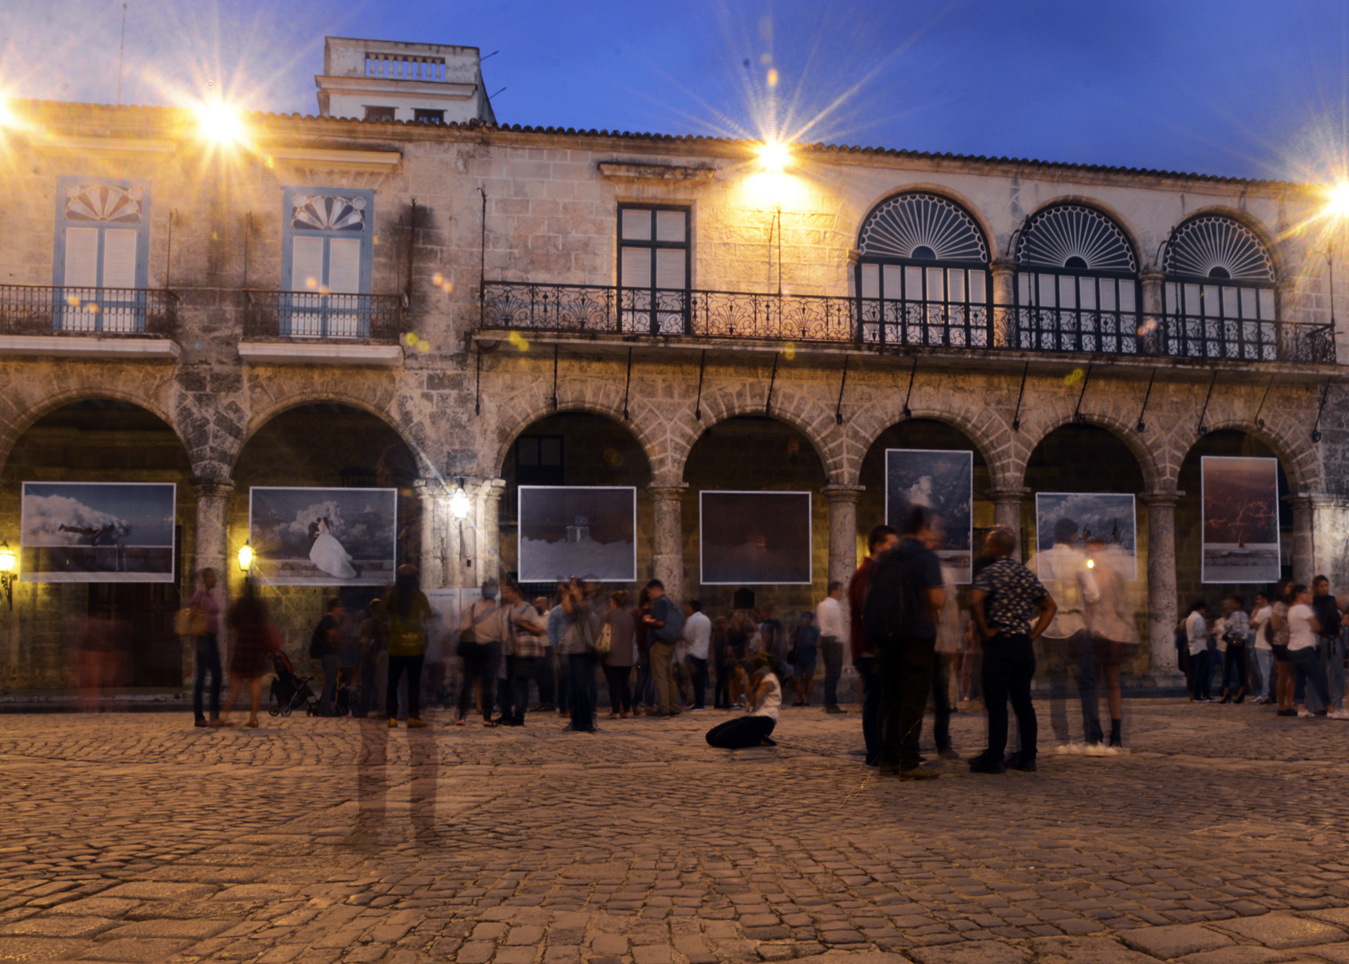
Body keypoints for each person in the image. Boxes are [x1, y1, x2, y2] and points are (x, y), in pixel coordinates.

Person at [863, 505, 945, 780]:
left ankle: (889, 760)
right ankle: (909, 762)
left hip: (887, 638)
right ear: (924, 528)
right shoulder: (925, 557)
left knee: (889, 699)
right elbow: (936, 600)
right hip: (916, 637)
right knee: (913, 700)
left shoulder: (886, 556)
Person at [967, 526, 1057, 773]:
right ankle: (1028, 756)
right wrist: (1033, 634)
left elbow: (974, 598)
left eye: (987, 544)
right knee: (1023, 702)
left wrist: (985, 630)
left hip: (999, 644)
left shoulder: (991, 571)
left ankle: (995, 756)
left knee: (996, 703)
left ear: (995, 547)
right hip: (1022, 646)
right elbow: (1049, 605)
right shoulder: (1024, 573)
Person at [1027, 517, 1101, 751]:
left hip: (1048, 628)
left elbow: (1025, 588)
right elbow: (1093, 594)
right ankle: (1092, 739)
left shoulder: (1038, 560)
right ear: (1072, 536)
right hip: (1075, 626)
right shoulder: (1078, 560)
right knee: (1087, 685)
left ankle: (1062, 740)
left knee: (1057, 687)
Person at [848, 524, 899, 767]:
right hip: (870, 650)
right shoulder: (866, 573)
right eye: (891, 544)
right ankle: (875, 751)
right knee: (876, 700)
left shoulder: (877, 572)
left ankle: (886, 749)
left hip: (877, 648)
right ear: (879, 545)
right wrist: (878, 643)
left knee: (882, 699)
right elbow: (868, 612)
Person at [219, 583, 281, 728]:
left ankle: (224, 716)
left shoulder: (240, 605)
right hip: (257, 646)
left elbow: (231, 622)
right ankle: (253, 717)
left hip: (243, 644)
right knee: (255, 681)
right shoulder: (259, 606)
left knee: (235, 684)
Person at [384, 564, 432, 728]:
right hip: (415, 647)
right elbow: (427, 617)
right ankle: (413, 716)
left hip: (396, 647)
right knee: (413, 683)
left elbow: (384, 616)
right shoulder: (419, 596)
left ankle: (392, 716)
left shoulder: (391, 596)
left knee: (392, 683)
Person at [498, 579, 546, 727]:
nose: (505, 594)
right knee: (504, 683)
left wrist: (521, 623)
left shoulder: (528, 609)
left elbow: (539, 630)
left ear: (516, 593)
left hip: (522, 652)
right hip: (507, 651)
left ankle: (519, 716)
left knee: (520, 684)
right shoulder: (508, 608)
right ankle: (505, 714)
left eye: (508, 592)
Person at [560, 578, 605, 732]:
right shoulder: (571, 601)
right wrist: (567, 593)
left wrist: (575, 592)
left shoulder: (587, 602)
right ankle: (577, 720)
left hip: (585, 648)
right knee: (576, 686)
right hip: (574, 648)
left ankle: (586, 722)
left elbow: (581, 608)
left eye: (574, 585)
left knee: (583, 685)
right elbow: (567, 610)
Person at [705, 657, 781, 749]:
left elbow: (754, 702)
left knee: (722, 738)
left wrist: (745, 680)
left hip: (763, 721)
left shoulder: (769, 680)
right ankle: (750, 737)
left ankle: (760, 741)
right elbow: (736, 696)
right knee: (710, 737)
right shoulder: (755, 678)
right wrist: (737, 678)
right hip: (749, 718)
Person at [455, 581, 502, 726]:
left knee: (468, 683)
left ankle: (462, 716)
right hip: (490, 649)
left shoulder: (472, 608)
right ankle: (487, 718)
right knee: (488, 684)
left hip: (473, 649)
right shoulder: (498, 611)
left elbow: (465, 627)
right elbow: (502, 634)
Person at [1287, 584, 1337, 718]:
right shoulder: (1303, 609)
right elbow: (1318, 626)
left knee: (1299, 679)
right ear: (1298, 594)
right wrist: (1311, 608)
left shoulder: (1292, 609)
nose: (1308, 595)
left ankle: (1301, 709)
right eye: (1305, 593)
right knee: (1318, 679)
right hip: (1305, 648)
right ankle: (1330, 709)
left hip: (1293, 648)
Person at [643, 579, 684, 717]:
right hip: (669, 643)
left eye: (649, 592)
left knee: (660, 677)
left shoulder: (660, 602)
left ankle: (664, 708)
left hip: (659, 643)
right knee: (669, 677)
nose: (649, 595)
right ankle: (673, 707)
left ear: (655, 589)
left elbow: (660, 622)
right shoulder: (669, 602)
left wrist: (647, 620)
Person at [190, 568, 223, 728]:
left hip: (212, 640)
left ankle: (215, 715)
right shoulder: (199, 595)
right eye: (212, 577)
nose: (214, 579)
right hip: (203, 639)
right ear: (206, 579)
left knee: (218, 676)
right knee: (201, 679)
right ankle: (199, 717)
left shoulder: (210, 596)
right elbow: (192, 617)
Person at [1311, 576, 1343, 714]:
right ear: (1316, 588)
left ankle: (1337, 703)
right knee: (1321, 673)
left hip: (1333, 638)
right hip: (1320, 639)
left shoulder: (1333, 600)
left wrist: (1341, 626)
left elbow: (1344, 612)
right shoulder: (1313, 602)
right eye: (1322, 586)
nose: (1325, 588)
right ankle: (1322, 704)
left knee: (1335, 672)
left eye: (1326, 585)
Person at [602, 590, 637, 718]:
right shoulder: (629, 617)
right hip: (627, 655)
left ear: (613, 602)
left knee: (613, 684)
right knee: (625, 683)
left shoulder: (608, 615)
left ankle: (615, 710)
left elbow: (599, 631)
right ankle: (627, 710)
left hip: (611, 653)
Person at [816, 581, 847, 714]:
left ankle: (829, 702)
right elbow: (837, 626)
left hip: (825, 640)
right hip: (834, 641)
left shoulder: (821, 605)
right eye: (840, 590)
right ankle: (831, 703)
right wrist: (842, 640)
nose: (841, 593)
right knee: (834, 673)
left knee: (830, 671)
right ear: (834, 591)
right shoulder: (834, 607)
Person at [313, 597, 346, 716]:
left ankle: (324, 706)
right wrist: (345, 627)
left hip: (330, 655)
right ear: (333, 608)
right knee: (329, 682)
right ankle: (325, 708)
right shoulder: (329, 620)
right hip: (330, 655)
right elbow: (332, 638)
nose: (342, 608)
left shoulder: (331, 620)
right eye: (339, 606)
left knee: (330, 681)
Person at [1270, 580, 1296, 716]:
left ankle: (1289, 703)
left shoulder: (1292, 604)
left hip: (1291, 642)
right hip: (1281, 642)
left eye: (1292, 586)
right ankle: (1281, 705)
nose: (1291, 588)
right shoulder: (1279, 605)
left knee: (1292, 675)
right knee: (1283, 674)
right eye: (1288, 586)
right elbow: (1275, 625)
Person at [1218, 596, 1249, 704]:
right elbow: (1246, 630)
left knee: (1228, 667)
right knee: (1241, 667)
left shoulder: (1234, 614)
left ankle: (1226, 692)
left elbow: (1226, 626)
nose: (1232, 604)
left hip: (1232, 642)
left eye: (1234, 602)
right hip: (1241, 643)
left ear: (1239, 604)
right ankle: (1241, 691)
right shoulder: (1245, 615)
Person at [682, 599, 712, 711]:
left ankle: (698, 704)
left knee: (695, 680)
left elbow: (687, 635)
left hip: (694, 652)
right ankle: (700, 702)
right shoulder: (706, 619)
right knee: (701, 680)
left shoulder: (691, 619)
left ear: (691, 608)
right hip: (704, 653)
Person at [790, 611, 820, 707]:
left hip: (810, 656)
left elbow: (819, 644)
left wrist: (811, 643)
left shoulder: (815, 631)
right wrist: (796, 640)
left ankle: (806, 700)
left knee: (809, 677)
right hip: (799, 656)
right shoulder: (797, 629)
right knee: (797, 678)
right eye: (804, 617)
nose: (806, 619)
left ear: (811, 620)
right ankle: (800, 699)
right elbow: (790, 640)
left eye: (808, 617)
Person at [1250, 592, 1274, 705]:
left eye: (1259, 599)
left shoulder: (1262, 612)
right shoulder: (1272, 610)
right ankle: (1271, 693)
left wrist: (1255, 611)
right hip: (1271, 644)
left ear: (1264, 599)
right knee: (1270, 671)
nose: (1257, 601)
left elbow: (1252, 624)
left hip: (1262, 644)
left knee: (1265, 671)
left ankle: (1265, 695)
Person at [1185, 600, 1211, 702]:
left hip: (1192, 647)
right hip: (1200, 647)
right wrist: (1208, 633)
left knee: (1195, 672)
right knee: (1200, 673)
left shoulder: (1190, 618)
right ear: (1201, 608)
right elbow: (1199, 633)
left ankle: (1199, 694)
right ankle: (1198, 695)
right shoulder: (1198, 618)